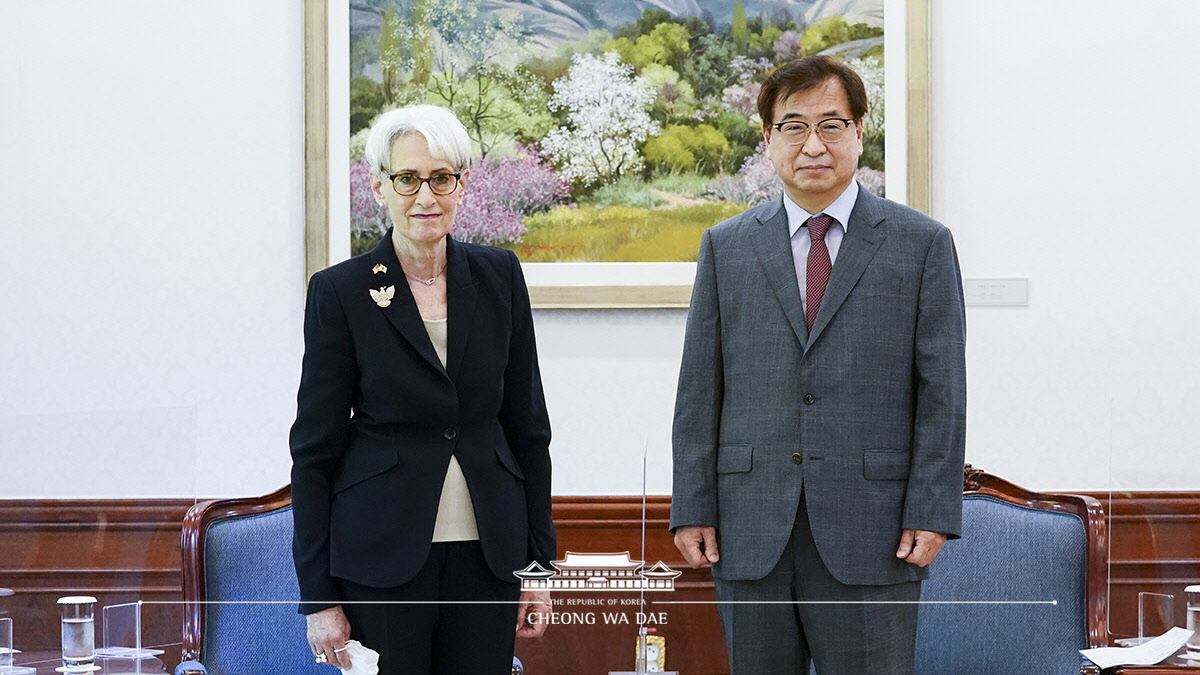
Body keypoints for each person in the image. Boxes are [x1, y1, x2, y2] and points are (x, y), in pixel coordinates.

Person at [670, 56, 966, 674]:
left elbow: (943, 391)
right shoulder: (727, 246)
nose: (813, 145)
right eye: (793, 126)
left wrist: (932, 508)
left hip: (876, 526)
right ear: (767, 140)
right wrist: (693, 504)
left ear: (860, 131)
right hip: (749, 524)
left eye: (832, 125)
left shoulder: (922, 244)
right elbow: (700, 387)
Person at [289, 104, 555, 675]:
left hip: (491, 555)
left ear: (462, 186)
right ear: (380, 187)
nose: (425, 196)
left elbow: (529, 429)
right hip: (380, 556)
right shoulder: (341, 291)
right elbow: (314, 452)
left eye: (441, 178)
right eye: (407, 179)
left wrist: (539, 567)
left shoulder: (500, 274)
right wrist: (319, 598)